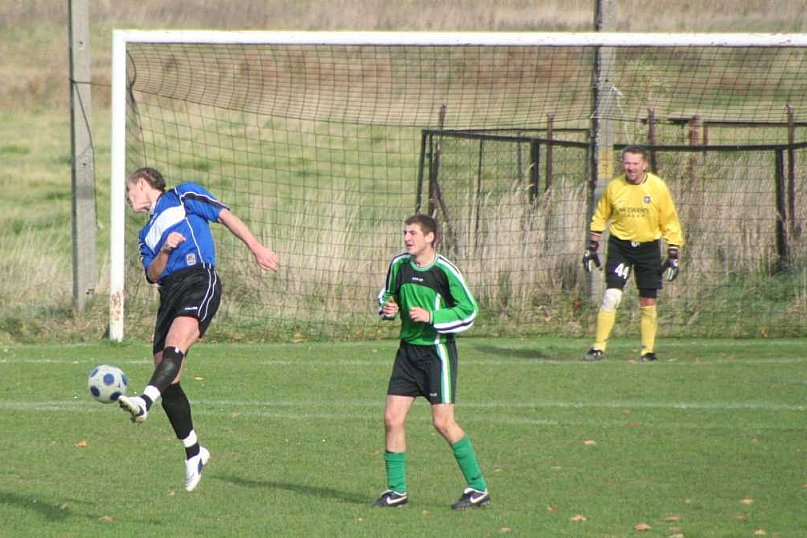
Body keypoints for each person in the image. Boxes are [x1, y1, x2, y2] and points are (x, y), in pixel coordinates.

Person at [118, 167, 279, 491]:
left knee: (176, 346)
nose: (127, 197)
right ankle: (194, 452)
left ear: (142, 184)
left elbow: (225, 216)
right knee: (168, 377)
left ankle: (144, 402)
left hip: (198, 280)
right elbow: (152, 274)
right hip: (169, 294)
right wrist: (165, 249)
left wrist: (257, 248)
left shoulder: (183, 195)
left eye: (128, 190)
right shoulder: (145, 234)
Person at [372, 214, 490, 511]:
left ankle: (478, 488)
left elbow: (469, 311)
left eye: (413, 233)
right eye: (405, 233)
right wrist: (387, 308)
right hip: (407, 354)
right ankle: (396, 491)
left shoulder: (444, 271)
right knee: (392, 419)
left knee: (442, 422)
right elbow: (387, 295)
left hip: (437, 355)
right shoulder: (399, 265)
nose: (407, 238)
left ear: (430, 237)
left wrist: (433, 317)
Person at [582, 145, 684, 362]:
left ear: (644, 165)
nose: (631, 167)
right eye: (627, 163)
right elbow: (601, 216)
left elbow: (669, 220)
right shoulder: (615, 187)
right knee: (611, 296)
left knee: (648, 300)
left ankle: (648, 351)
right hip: (621, 247)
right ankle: (598, 347)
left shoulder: (657, 187)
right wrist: (592, 246)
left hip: (648, 249)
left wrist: (673, 252)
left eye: (635, 163)